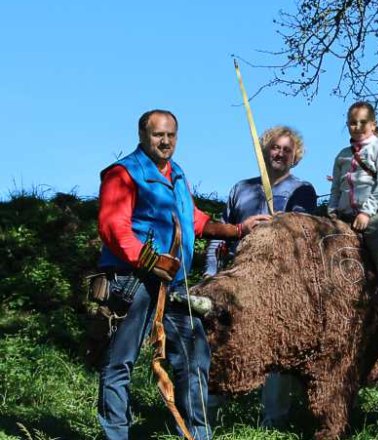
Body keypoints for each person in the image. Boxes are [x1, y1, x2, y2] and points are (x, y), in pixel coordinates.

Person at [96, 109, 265, 440]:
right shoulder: (124, 173)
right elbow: (113, 228)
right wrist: (149, 260)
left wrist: (238, 229)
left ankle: (196, 435)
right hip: (134, 280)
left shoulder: (177, 174)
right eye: (158, 134)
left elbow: (194, 219)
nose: (165, 141)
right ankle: (115, 435)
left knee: (194, 358)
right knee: (120, 361)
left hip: (174, 283)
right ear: (143, 136)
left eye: (171, 135)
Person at [203, 125, 316, 428]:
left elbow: (302, 236)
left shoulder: (302, 190)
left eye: (286, 150)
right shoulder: (241, 188)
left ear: (296, 157)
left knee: (277, 350)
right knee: (224, 344)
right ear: (264, 151)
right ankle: (210, 413)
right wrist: (211, 274)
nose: (279, 154)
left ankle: (273, 421)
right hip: (237, 281)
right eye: (274, 148)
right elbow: (221, 232)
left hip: (278, 284)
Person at [327, 101, 378, 328]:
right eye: (352, 122)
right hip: (344, 213)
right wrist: (331, 211)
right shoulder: (342, 155)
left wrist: (367, 212)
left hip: (375, 212)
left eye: (363, 122)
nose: (357, 127)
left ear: (373, 124)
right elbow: (336, 188)